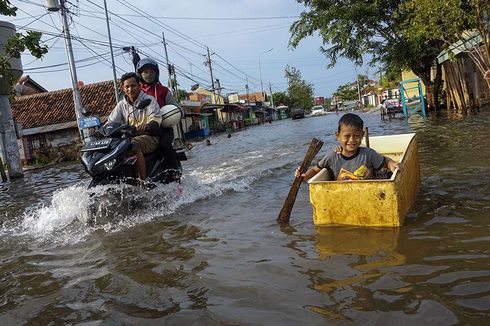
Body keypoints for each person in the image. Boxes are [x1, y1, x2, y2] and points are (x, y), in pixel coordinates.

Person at [296, 113, 401, 181]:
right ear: (338, 136)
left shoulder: (368, 154)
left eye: (356, 136)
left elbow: (386, 163)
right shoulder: (332, 156)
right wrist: (303, 176)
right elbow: (315, 170)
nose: (351, 140)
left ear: (362, 135)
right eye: (347, 136)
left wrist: (393, 165)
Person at [106, 72, 161, 186]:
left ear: (139, 86)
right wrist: (101, 130)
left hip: (149, 137)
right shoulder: (122, 105)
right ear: (122, 88)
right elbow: (111, 122)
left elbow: (155, 118)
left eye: (133, 85)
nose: (130, 89)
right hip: (127, 138)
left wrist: (148, 125)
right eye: (127, 86)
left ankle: (143, 182)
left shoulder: (149, 100)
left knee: (132, 145)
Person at [136, 58, 182, 170]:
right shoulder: (135, 91)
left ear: (156, 74)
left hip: (163, 129)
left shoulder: (163, 90)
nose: (149, 75)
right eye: (145, 72)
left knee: (165, 146)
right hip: (141, 128)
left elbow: (176, 108)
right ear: (140, 74)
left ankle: (175, 173)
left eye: (152, 72)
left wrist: (178, 112)